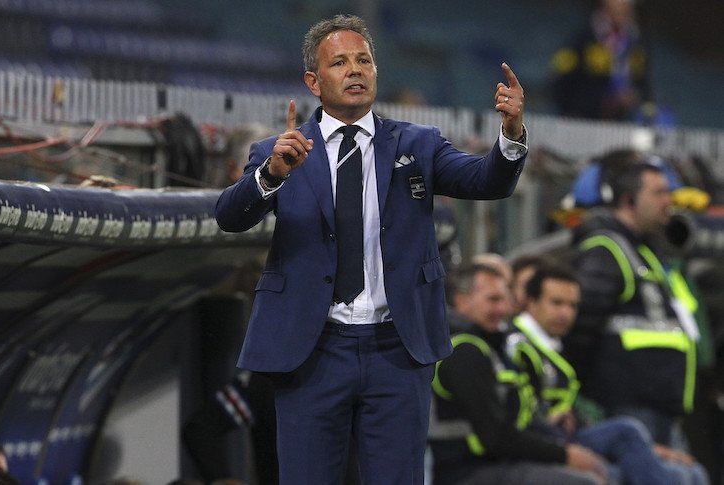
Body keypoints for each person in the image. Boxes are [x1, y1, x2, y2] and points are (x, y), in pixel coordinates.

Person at [213, 14, 527, 484]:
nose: (355, 70)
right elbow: (230, 217)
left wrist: (512, 134)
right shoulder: (278, 151)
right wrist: (271, 174)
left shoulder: (419, 144)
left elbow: (487, 182)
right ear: (314, 82)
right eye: (340, 62)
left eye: (363, 60)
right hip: (312, 350)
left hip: (396, 349)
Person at [508, 263, 709, 484]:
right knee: (626, 432)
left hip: (570, 434)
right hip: (543, 439)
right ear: (531, 302)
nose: (565, 313)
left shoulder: (555, 346)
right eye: (556, 303)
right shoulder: (518, 346)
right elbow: (517, 412)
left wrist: (648, 448)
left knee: (690, 472)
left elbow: (575, 412)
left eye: (573, 305)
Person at [565, 158, 703, 453]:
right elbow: (580, 327)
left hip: (657, 409)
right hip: (627, 409)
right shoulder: (606, 250)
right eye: (659, 193)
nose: (668, 201)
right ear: (629, 201)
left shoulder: (643, 251)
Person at [429, 263, 607, 485]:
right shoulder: (463, 351)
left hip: (491, 464)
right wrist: (564, 454)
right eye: (493, 299)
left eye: (506, 299)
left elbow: (512, 421)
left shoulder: (487, 346)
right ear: (461, 300)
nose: (503, 309)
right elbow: (495, 437)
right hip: (465, 472)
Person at [550, 0, 654, 122]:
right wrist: (570, 110)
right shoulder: (585, 36)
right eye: (618, 4)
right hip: (583, 119)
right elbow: (560, 78)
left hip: (620, 120)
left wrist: (636, 97)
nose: (622, 8)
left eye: (627, 5)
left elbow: (643, 84)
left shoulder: (636, 40)